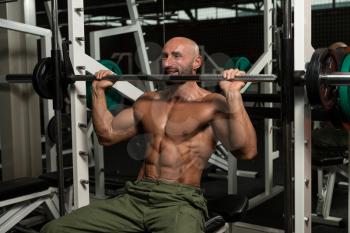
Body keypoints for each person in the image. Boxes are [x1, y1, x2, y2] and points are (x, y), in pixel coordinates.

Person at [41, 36, 257, 233]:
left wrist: (232, 94)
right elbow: (107, 135)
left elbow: (246, 151)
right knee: (55, 230)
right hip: (135, 196)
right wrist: (98, 92)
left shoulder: (211, 104)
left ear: (197, 62)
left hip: (179, 201)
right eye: (164, 56)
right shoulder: (148, 101)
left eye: (177, 56)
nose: (168, 63)